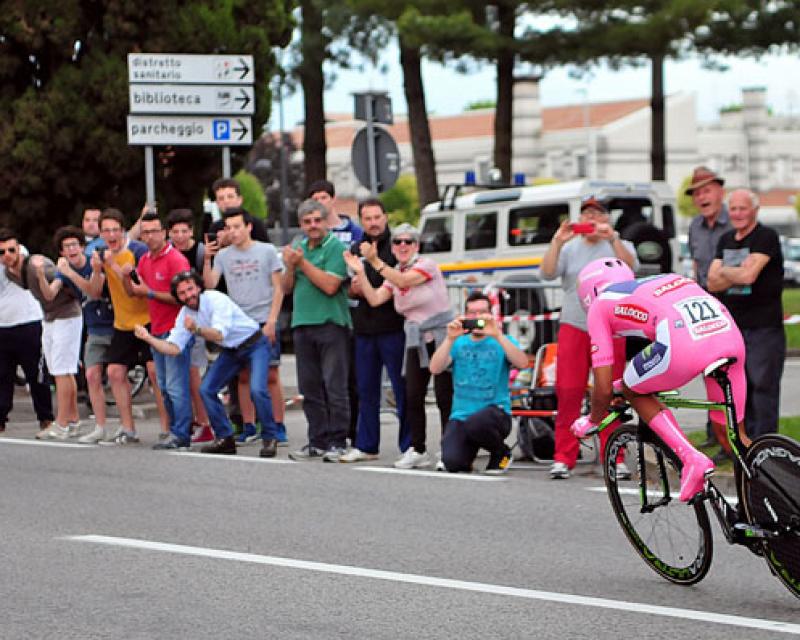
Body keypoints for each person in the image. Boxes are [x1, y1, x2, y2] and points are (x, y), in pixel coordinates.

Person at [571, 257, 747, 502]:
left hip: (686, 345)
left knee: (635, 390)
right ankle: (767, 500)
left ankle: (691, 459)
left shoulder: (601, 305)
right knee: (733, 437)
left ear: (588, 294)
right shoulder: (665, 278)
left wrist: (593, 420)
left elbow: (602, 387)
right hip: (729, 336)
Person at [540, 196, 638, 479]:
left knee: (611, 392)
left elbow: (632, 268)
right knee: (569, 391)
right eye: (586, 215)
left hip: (611, 326)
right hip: (575, 323)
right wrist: (557, 241)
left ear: (607, 219)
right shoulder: (570, 247)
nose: (592, 219)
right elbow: (547, 273)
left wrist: (614, 238)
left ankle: (615, 455)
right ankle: (564, 456)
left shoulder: (618, 243)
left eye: (598, 214)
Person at [343, 223, 454, 470]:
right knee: (412, 394)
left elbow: (405, 281)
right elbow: (374, 299)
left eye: (408, 242)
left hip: (440, 335)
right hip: (415, 338)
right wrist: (360, 271)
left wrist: (375, 263)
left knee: (445, 395)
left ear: (416, 245)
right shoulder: (391, 272)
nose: (402, 246)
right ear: (392, 248)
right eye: (398, 242)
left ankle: (450, 447)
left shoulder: (426, 266)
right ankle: (418, 448)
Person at [135, 271, 275, 456]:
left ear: (199, 287)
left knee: (257, 389)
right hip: (231, 351)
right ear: (178, 297)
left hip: (254, 343)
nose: (188, 295)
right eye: (182, 293)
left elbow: (219, 334)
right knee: (206, 389)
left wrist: (196, 329)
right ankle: (225, 438)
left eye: (190, 289)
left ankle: (270, 437)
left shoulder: (216, 299)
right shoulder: (185, 313)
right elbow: (174, 348)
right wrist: (148, 338)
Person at [203, 207, 283, 457]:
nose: (233, 231)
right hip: (235, 330)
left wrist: (271, 321)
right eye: (229, 227)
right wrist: (207, 258)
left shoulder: (267, 251)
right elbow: (209, 285)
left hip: (261, 327)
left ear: (248, 227)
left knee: (262, 384)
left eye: (238, 226)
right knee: (209, 388)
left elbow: (279, 289)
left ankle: (271, 435)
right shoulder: (224, 256)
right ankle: (228, 435)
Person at [86, 209, 168, 444]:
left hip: (147, 321)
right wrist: (97, 270)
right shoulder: (101, 254)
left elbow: (137, 292)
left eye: (115, 230)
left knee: (154, 372)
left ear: (123, 231)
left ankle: (166, 427)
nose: (111, 235)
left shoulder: (137, 252)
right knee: (114, 372)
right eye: (106, 231)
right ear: (100, 234)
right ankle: (128, 428)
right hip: (122, 324)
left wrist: (112, 266)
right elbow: (93, 292)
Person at [707, 189, 785, 439]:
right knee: (739, 388)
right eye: (733, 209)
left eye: (743, 208)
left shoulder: (766, 237)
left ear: (755, 210)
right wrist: (737, 270)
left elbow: (748, 276)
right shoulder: (726, 239)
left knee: (763, 386)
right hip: (734, 327)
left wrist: (726, 272)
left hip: (764, 327)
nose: (738, 214)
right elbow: (711, 282)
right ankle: (743, 446)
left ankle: (766, 447)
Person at [339, 199, 409, 463]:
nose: (373, 223)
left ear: (386, 216)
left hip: (394, 327)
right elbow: (349, 284)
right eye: (367, 218)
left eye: (377, 217)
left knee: (402, 389)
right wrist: (353, 287)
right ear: (361, 221)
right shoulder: (355, 248)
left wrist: (371, 269)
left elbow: (392, 281)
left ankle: (410, 446)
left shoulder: (399, 246)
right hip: (364, 328)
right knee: (366, 390)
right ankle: (366, 445)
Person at [282, 199, 351, 462]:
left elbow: (331, 285)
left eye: (317, 220)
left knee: (334, 386)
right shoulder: (298, 249)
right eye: (307, 222)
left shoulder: (335, 247)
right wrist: (290, 266)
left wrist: (301, 264)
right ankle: (317, 440)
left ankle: (338, 440)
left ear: (324, 222)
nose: (312, 226)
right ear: (301, 224)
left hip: (331, 324)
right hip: (302, 324)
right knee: (309, 388)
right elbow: (286, 288)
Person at [430, 292, 529, 474]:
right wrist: (450, 338)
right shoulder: (458, 342)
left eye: (482, 313)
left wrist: (498, 335)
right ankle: (466, 453)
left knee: (477, 423)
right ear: (465, 315)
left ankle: (501, 452)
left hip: (495, 412)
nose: (477, 318)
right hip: (461, 414)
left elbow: (523, 363)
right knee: (452, 462)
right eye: (472, 313)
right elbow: (435, 368)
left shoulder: (502, 340)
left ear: (491, 315)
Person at [2, 227, 84, 438]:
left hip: (65, 316)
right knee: (61, 370)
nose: (7, 256)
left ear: (19, 249)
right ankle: (72, 420)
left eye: (11, 250)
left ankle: (61, 423)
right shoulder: (12, 274)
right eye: (2, 253)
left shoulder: (35, 263)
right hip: (49, 319)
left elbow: (62, 285)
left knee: (59, 371)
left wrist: (41, 274)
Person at [129, 213, 193, 449]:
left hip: (176, 330)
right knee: (164, 386)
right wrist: (126, 275)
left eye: (155, 231)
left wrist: (150, 293)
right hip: (156, 330)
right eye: (145, 232)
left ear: (164, 232)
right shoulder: (144, 260)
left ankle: (182, 434)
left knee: (176, 386)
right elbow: (136, 291)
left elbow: (184, 298)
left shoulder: (176, 260)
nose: (150, 236)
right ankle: (176, 430)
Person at [685, 166, 733, 452]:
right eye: (697, 193)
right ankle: (715, 433)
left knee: (735, 373)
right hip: (707, 308)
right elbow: (696, 264)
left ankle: (739, 435)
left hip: (735, 304)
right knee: (710, 371)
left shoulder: (735, 220)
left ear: (719, 192)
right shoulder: (694, 227)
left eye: (707, 190)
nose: (702, 197)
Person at [0, 228, 54, 433]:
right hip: (2, 325)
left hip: (28, 322)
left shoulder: (19, 255)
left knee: (36, 373)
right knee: (2, 375)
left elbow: (17, 259)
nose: (6, 255)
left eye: (9, 250)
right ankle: (1, 417)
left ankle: (46, 417)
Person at [165, 208, 213, 442]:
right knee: (177, 377)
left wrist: (208, 259)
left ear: (191, 231)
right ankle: (191, 419)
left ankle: (205, 423)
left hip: (195, 317)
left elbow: (208, 284)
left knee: (195, 373)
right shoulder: (167, 253)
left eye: (185, 231)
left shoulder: (201, 251)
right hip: (173, 320)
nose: (181, 236)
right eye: (175, 232)